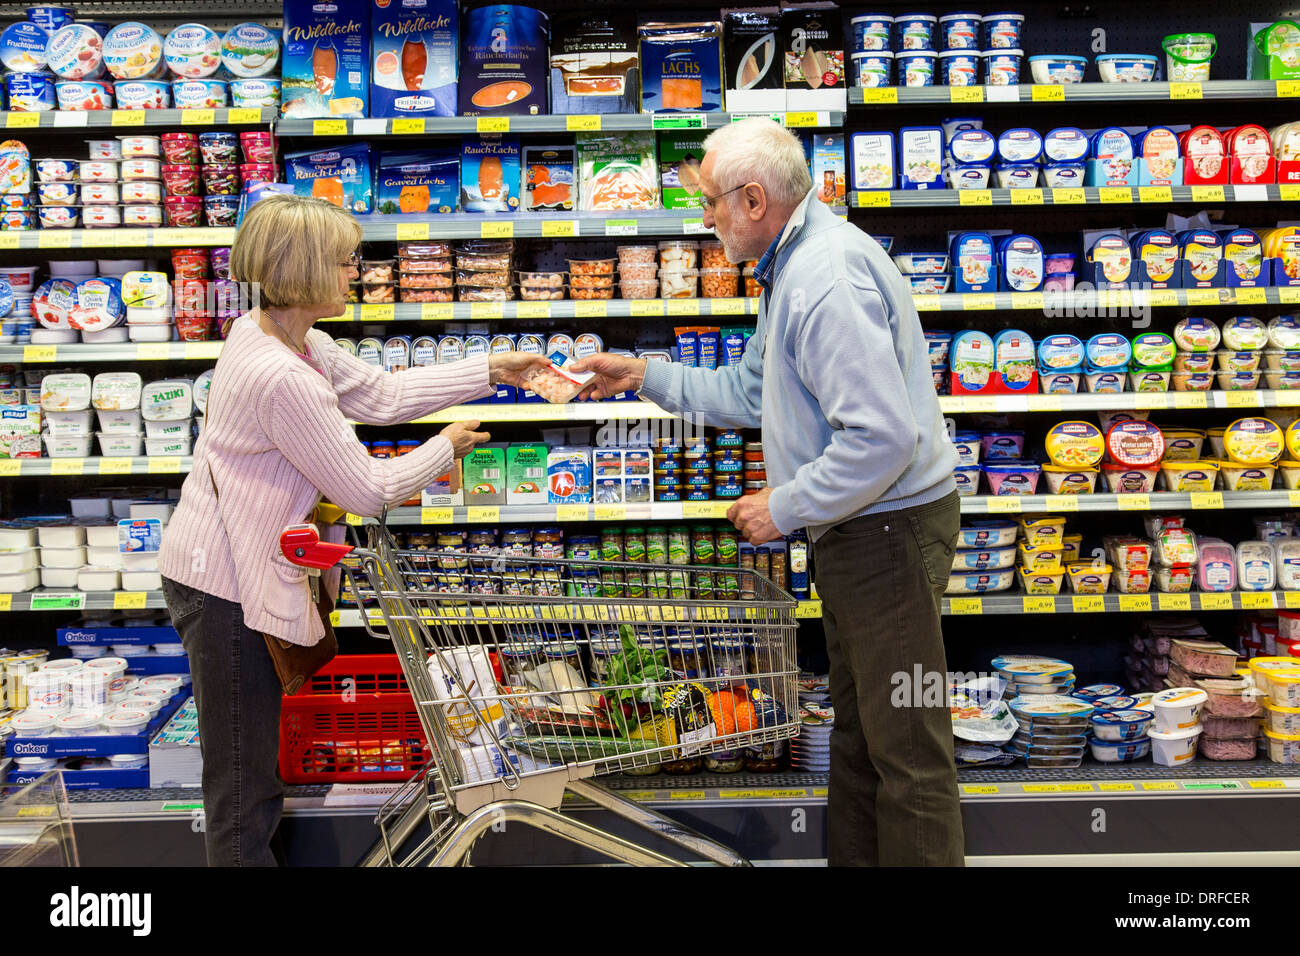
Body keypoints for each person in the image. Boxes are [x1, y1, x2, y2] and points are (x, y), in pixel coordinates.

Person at [571, 118, 964, 867]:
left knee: (907, 748)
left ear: (754, 199)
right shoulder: (795, 264)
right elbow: (753, 389)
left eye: (712, 201)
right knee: (861, 734)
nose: (707, 217)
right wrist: (646, 377)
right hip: (862, 530)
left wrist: (781, 506)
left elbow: (882, 440)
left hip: (888, 533)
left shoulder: (825, 279)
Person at [158, 194, 546, 866]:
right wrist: (446, 448)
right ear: (304, 271)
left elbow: (385, 396)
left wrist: (490, 370)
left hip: (233, 565)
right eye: (343, 264)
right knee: (244, 789)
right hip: (224, 585)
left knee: (249, 775)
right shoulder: (282, 375)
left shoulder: (285, 338)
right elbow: (367, 490)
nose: (354, 276)